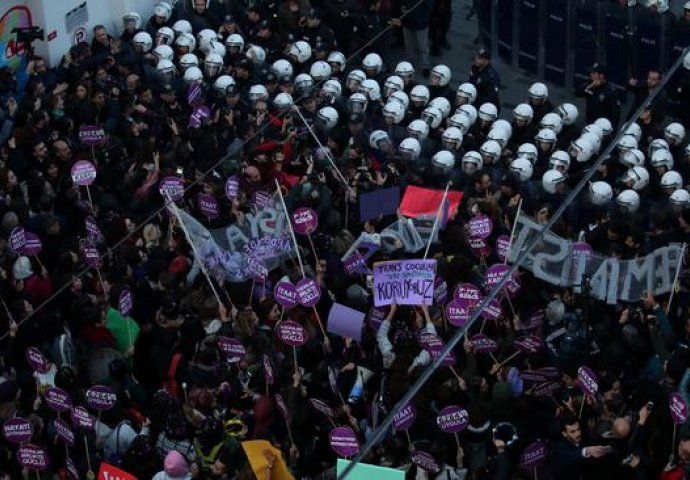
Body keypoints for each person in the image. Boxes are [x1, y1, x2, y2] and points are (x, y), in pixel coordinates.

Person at [575, 63, 621, 127]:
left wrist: (612, 132)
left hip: (602, 126)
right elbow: (577, 94)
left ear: (601, 75)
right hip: (589, 123)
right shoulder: (590, 83)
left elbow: (616, 115)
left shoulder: (610, 91)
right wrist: (589, 87)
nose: (591, 74)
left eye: (594, 73)